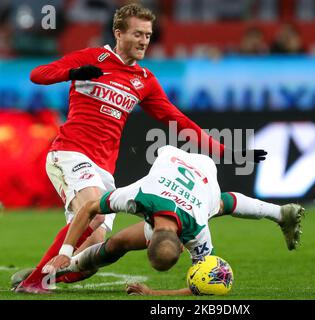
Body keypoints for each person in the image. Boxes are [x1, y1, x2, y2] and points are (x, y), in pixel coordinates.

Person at [14, 3, 267, 294]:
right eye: (137, 34)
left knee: (94, 249)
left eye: (147, 35)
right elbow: (38, 74)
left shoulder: (144, 81)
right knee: (94, 213)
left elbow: (179, 121)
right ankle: (36, 282)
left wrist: (228, 153)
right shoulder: (92, 57)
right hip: (70, 152)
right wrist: (74, 71)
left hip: (104, 169)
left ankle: (46, 275)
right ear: (118, 33)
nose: (144, 40)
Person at [40, 145, 305, 295]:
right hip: (183, 171)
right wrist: (65, 251)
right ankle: (279, 213)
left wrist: (154, 295)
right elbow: (205, 286)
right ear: (181, 246)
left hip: (192, 167)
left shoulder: (146, 201)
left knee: (119, 242)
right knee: (217, 204)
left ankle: (281, 214)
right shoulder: (191, 227)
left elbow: (209, 286)